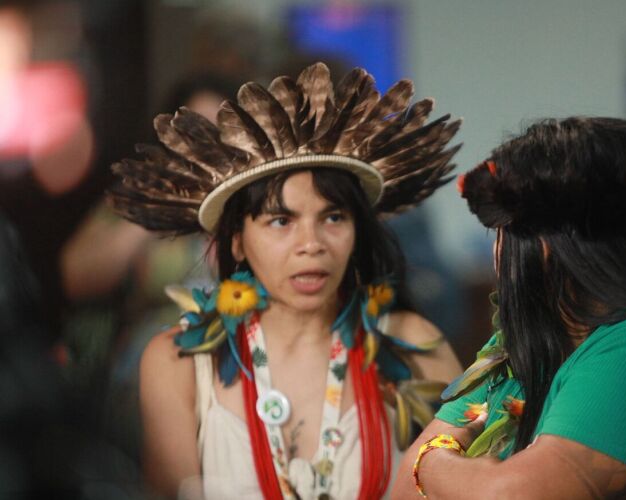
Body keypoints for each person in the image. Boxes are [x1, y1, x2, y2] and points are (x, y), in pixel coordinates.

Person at [108, 62, 463, 499]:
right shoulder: (176, 363)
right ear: (236, 241)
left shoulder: (412, 344)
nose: (311, 244)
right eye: (281, 221)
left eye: (334, 217)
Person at [392, 117, 626, 499]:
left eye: (500, 233)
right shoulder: (519, 348)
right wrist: (444, 469)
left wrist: (431, 460)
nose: (496, 254)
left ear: (546, 245)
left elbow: (510, 495)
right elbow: (403, 490)